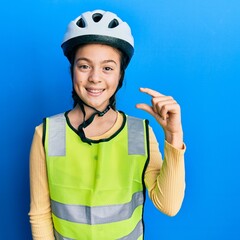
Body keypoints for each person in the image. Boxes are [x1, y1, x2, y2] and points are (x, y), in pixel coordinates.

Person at [29, 9, 186, 240]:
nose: (95, 77)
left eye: (107, 68)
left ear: (120, 75)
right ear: (72, 69)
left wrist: (173, 136)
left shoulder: (138, 133)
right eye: (84, 66)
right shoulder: (47, 133)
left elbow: (168, 206)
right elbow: (40, 215)